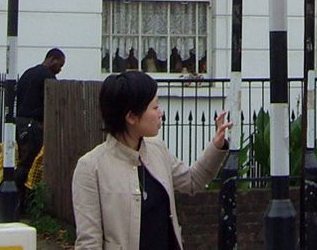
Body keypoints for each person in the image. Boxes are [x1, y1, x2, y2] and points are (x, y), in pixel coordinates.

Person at [72, 70, 230, 250]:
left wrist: (217, 145)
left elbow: (192, 181)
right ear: (131, 117)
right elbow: (89, 243)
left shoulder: (157, 150)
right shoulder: (91, 167)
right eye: (155, 107)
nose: (160, 113)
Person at [15, 47, 66, 198]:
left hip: (20, 123)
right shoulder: (47, 77)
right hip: (34, 126)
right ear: (52, 59)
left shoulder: (27, 73)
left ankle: (15, 195)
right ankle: (19, 196)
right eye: (60, 65)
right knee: (29, 163)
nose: (60, 70)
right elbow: (52, 102)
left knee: (21, 160)